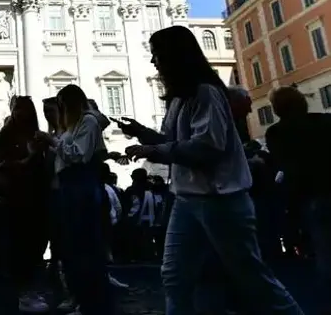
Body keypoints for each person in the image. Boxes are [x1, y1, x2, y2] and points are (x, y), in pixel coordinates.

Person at [121, 25, 302, 315]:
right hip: (188, 198)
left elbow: (207, 147)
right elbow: (174, 141)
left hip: (221, 199)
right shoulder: (179, 98)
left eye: (156, 54)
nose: (153, 61)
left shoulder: (205, 93)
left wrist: (154, 150)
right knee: (174, 275)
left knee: (252, 277)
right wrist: (141, 133)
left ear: (173, 55)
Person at [35, 84, 113, 315]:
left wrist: (53, 142)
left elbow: (78, 155)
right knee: (72, 244)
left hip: (80, 184)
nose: (59, 111)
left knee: (83, 244)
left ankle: (90, 300)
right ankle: (80, 295)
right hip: (69, 185)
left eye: (62, 105)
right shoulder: (73, 125)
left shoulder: (87, 121)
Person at [265, 85, 331, 313]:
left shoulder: (276, 133)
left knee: (324, 252)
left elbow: (284, 168)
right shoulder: (325, 121)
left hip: (310, 197)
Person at [0, 95, 51, 312]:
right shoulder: (7, 134)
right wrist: (28, 158)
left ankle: (28, 290)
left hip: (35, 196)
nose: (18, 112)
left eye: (22, 108)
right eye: (16, 108)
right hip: (16, 197)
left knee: (35, 244)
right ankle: (24, 293)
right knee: (21, 245)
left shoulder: (36, 134)